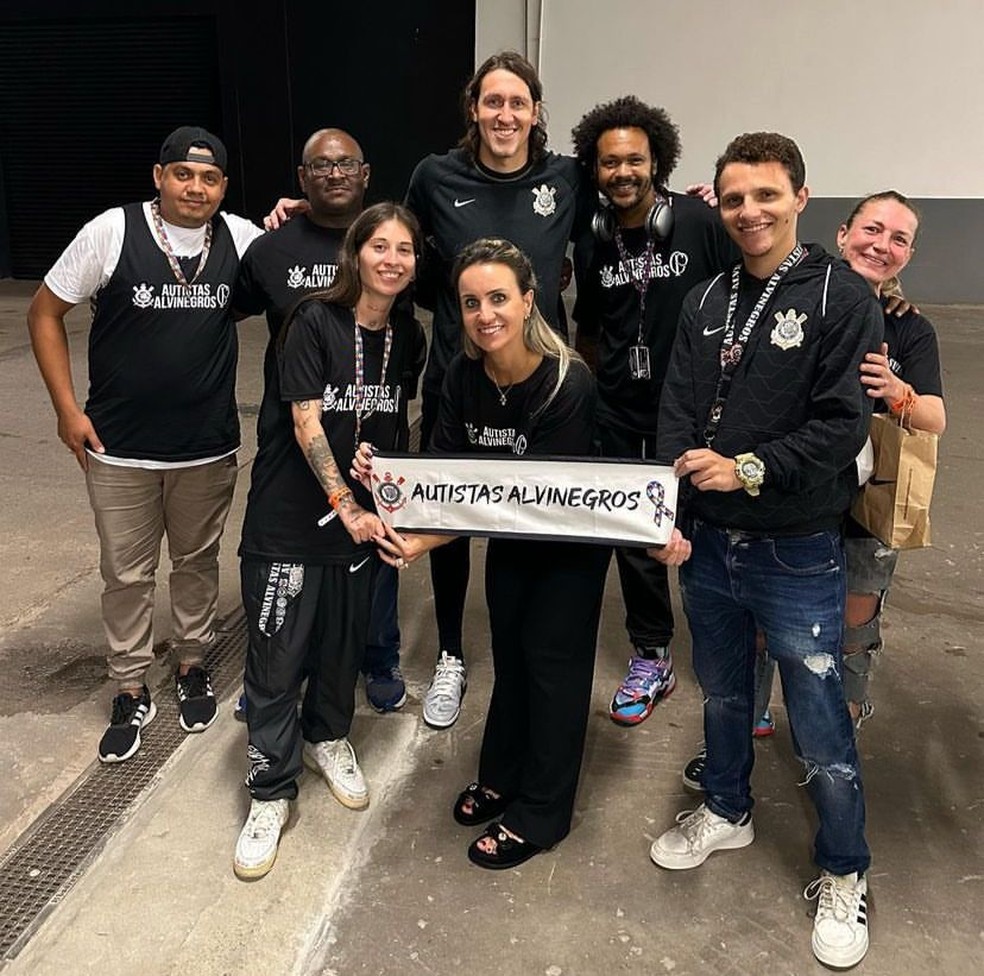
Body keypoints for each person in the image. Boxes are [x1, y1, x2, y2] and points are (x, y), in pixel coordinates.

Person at [648, 133, 882, 969]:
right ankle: (727, 808)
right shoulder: (707, 298)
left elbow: (839, 427)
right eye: (735, 198)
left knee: (818, 723)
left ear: (800, 197)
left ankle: (845, 869)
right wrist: (668, 511)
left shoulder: (840, 297)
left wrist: (746, 469)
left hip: (795, 549)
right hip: (708, 546)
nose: (751, 212)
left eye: (766, 195)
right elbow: (675, 409)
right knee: (721, 695)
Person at [683, 190, 948, 790]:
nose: (882, 245)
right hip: (788, 497)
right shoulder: (796, 299)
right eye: (872, 229)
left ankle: (835, 741)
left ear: (909, 254)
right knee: (754, 625)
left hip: (860, 511)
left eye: (899, 238)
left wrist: (896, 392)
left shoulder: (909, 329)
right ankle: (740, 729)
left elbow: (935, 417)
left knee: (851, 632)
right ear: (844, 230)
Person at [369, 238, 608, 869]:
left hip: (567, 550)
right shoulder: (462, 376)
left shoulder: (567, 382)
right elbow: (448, 476)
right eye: (471, 302)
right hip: (509, 545)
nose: (485, 314)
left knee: (553, 674)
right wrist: (388, 482)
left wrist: (428, 538)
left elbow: (527, 500)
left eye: (499, 298)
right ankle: (501, 774)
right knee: (512, 663)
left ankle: (542, 813)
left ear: (530, 301)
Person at [27, 126, 262, 764]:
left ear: (223, 188)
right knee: (126, 575)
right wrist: (65, 410)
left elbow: (296, 267)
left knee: (196, 562)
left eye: (210, 177)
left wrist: (288, 219)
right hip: (119, 446)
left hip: (205, 448)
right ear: (159, 176)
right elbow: (44, 312)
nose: (196, 186)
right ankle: (129, 684)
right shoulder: (113, 230)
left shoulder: (240, 239)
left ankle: (191, 664)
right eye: (183, 174)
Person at [233, 203, 425, 880]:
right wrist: (345, 500)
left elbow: (390, 419)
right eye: (380, 246)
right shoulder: (311, 320)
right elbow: (306, 419)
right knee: (276, 663)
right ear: (355, 253)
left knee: (341, 651)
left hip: (361, 528)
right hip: (289, 522)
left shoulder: (408, 334)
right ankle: (269, 789)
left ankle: (327, 737)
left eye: (405, 250)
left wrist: (383, 474)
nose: (393, 260)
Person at [405, 51, 594, 730]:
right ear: (473, 109)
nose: (505, 114)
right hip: (461, 381)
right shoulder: (435, 176)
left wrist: (696, 207)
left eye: (518, 102)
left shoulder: (567, 179)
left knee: (540, 511)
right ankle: (451, 652)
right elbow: (399, 252)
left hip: (542, 385)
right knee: (449, 509)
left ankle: (533, 649)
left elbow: (624, 228)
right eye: (492, 102)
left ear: (536, 112)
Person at [234, 128, 419, 714]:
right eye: (320, 166)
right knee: (296, 578)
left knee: (372, 568)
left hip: (370, 447)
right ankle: (277, 679)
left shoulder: (402, 276)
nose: (334, 174)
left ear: (366, 175)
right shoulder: (273, 249)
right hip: (296, 446)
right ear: (301, 177)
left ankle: (378, 659)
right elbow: (221, 316)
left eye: (346, 165)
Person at [570, 95, 737, 727]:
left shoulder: (699, 222)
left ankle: (733, 661)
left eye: (634, 160)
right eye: (609, 162)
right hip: (619, 410)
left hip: (694, 409)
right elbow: (591, 325)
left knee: (709, 528)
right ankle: (652, 654)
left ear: (657, 160)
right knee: (635, 535)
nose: (622, 173)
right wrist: (595, 390)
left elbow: (750, 284)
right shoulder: (596, 240)